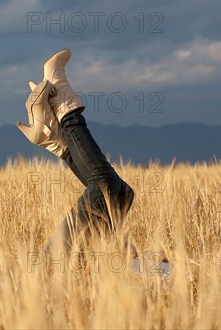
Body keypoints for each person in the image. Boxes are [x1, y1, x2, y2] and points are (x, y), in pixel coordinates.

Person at [16, 49, 135, 254]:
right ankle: (55, 131)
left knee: (104, 184)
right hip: (66, 273)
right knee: (121, 192)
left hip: (54, 270)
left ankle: (60, 113)